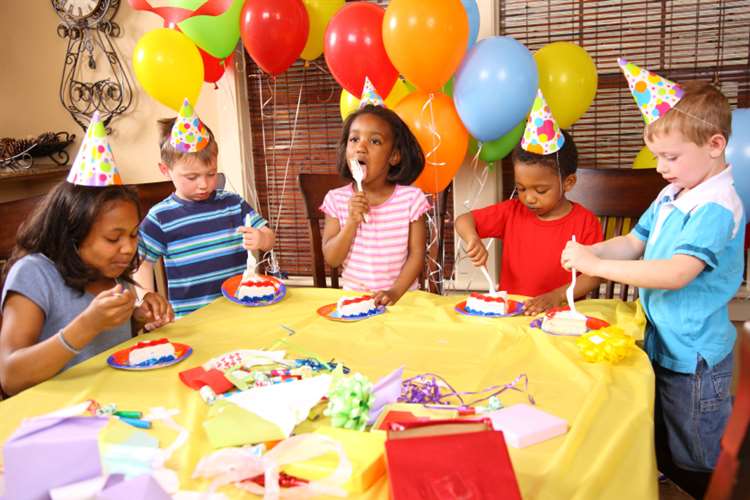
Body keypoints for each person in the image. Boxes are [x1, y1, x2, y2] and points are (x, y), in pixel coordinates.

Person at [562, 60, 745, 498]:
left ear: (715, 144)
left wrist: (600, 267)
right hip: (664, 339)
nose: (661, 167)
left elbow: (677, 272)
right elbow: (634, 241)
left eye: (671, 156)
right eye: (659, 155)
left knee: (696, 449)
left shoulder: (716, 206)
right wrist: (592, 253)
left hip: (695, 357)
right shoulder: (672, 193)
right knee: (664, 433)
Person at [0, 114, 172, 395]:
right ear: (72, 234)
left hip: (114, 403)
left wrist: (139, 319)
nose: (128, 248)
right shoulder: (34, 274)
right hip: (54, 416)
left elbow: (109, 351)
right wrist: (86, 326)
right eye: (113, 238)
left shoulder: (114, 274)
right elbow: (10, 376)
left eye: (132, 234)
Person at [455, 90, 602, 315]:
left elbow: (593, 277)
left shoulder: (585, 222)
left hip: (562, 316)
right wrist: (472, 238)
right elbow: (464, 220)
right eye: (521, 188)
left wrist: (557, 296)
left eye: (541, 190)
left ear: (569, 182)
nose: (529, 198)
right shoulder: (512, 212)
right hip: (513, 314)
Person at [134, 99, 275, 318]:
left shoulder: (233, 203)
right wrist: (147, 299)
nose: (204, 184)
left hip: (241, 311)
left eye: (211, 174)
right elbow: (141, 262)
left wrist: (261, 238)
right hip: (191, 319)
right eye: (192, 177)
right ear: (165, 170)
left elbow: (269, 236)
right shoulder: (160, 217)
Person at [321, 82, 430, 306]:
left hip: (402, 300)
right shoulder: (336, 200)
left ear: (394, 156)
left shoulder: (411, 200)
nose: (361, 147)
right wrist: (351, 222)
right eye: (354, 139)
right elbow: (332, 259)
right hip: (354, 302)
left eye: (375, 141)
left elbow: (417, 255)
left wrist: (394, 292)